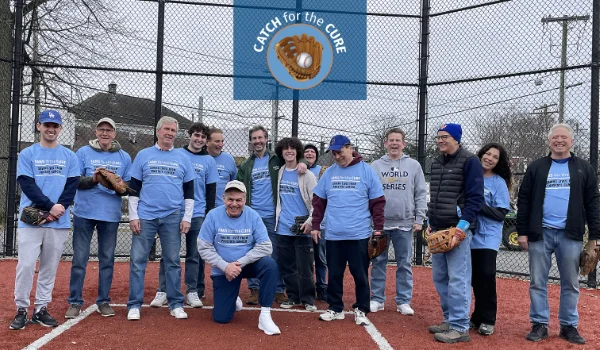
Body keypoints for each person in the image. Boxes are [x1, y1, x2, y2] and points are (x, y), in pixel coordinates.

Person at [517, 123, 600, 345]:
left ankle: (568, 325)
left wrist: (595, 235)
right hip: (540, 232)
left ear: (571, 141)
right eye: (555, 137)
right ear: (549, 141)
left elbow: (593, 202)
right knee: (537, 281)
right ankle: (539, 324)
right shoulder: (537, 167)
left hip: (570, 234)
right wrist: (522, 232)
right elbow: (523, 200)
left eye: (564, 137)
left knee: (571, 282)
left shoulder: (583, 168)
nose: (559, 141)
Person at [10, 110, 79, 330]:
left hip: (58, 221)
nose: (51, 129)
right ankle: (21, 308)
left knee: (49, 267)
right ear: (38, 126)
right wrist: (51, 207)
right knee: (27, 265)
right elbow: (27, 184)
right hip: (32, 218)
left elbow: (71, 187)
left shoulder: (70, 156)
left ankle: (41, 309)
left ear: (60, 129)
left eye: (55, 125)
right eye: (46, 124)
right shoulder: (27, 153)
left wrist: (58, 210)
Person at [311, 135, 385, 326]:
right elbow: (319, 201)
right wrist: (316, 226)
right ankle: (335, 308)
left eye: (339, 152)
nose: (336, 156)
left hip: (359, 234)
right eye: (333, 153)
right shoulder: (329, 173)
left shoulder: (366, 171)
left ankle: (361, 308)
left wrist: (378, 229)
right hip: (334, 234)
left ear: (349, 148)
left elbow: (377, 203)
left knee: (360, 274)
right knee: (334, 274)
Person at [126, 116, 196, 321]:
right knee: (138, 261)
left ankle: (175, 304)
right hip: (145, 216)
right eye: (166, 129)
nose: (169, 133)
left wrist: (187, 218)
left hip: (173, 216)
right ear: (157, 131)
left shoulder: (183, 158)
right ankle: (134, 305)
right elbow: (134, 189)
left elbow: (189, 192)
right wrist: (133, 216)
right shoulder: (143, 155)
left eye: (173, 130)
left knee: (173, 261)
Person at [66, 117, 132, 319]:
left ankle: (103, 301)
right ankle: (75, 302)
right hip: (84, 212)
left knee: (107, 260)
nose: (105, 133)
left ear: (114, 134)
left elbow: (126, 187)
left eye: (109, 130)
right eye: (101, 129)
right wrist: (94, 179)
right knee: (79, 259)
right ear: (96, 132)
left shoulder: (124, 157)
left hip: (110, 215)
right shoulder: (83, 153)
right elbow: (76, 181)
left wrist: (118, 185)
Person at [198, 180, 281, 336]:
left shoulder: (253, 216)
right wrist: (224, 266)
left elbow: (266, 246)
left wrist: (239, 263)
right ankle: (232, 296)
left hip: (247, 264)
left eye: (239, 200)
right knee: (221, 318)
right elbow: (203, 246)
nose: (234, 204)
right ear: (223, 199)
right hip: (224, 269)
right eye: (230, 199)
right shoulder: (213, 216)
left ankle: (265, 315)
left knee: (269, 265)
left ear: (245, 200)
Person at [426, 123, 484, 343]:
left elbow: (475, 199)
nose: (440, 140)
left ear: (456, 139)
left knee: (458, 279)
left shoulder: (470, 161)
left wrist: (461, 228)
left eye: (445, 137)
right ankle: (450, 319)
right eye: (439, 136)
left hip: (456, 229)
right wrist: (431, 221)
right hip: (439, 227)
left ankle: (460, 327)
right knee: (440, 277)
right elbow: (436, 196)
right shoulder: (437, 162)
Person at [236, 125, 307, 305]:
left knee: (275, 254)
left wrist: (303, 162)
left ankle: (277, 289)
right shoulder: (246, 164)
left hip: (273, 216)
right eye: (254, 138)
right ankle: (254, 289)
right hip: (251, 215)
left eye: (261, 138)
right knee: (251, 252)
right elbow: (238, 186)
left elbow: (295, 159)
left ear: (266, 139)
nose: (258, 141)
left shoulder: (277, 160)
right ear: (251, 141)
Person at [150, 122, 218, 309]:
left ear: (206, 141)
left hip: (197, 214)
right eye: (196, 135)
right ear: (189, 136)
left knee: (194, 255)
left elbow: (211, 190)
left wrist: (208, 215)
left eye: (203, 137)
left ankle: (192, 291)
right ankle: (163, 290)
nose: (199, 139)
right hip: (174, 212)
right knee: (168, 255)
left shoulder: (209, 161)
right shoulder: (177, 154)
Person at [369, 128, 427, 316]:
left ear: (404, 144)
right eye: (391, 140)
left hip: (405, 223)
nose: (394, 143)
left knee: (404, 263)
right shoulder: (375, 166)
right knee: (378, 262)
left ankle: (403, 301)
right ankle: (377, 299)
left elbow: (420, 193)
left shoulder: (414, 166)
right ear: (385, 143)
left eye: (398, 140)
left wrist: (419, 218)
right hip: (380, 224)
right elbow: (367, 193)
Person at [470, 143, 512, 336]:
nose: (490, 158)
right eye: (488, 154)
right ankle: (476, 316)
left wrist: (479, 205)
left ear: (498, 162)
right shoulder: (470, 176)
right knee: (472, 278)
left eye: (495, 157)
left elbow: (501, 213)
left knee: (486, 275)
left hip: (488, 237)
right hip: (467, 234)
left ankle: (488, 319)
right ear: (481, 155)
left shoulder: (498, 182)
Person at [274, 138, 318, 311]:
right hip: (283, 227)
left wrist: (310, 222)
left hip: (302, 227)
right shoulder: (279, 172)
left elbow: (317, 201)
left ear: (298, 151)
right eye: (285, 149)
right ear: (281, 152)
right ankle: (293, 296)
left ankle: (308, 299)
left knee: (305, 266)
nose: (289, 151)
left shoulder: (307, 174)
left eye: (292, 148)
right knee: (287, 266)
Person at [304, 144, 327, 302]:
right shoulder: (299, 169)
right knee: (303, 258)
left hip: (319, 219)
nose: (310, 153)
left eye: (313, 151)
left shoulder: (322, 171)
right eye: (306, 151)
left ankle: (322, 287)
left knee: (320, 256)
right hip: (302, 219)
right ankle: (304, 287)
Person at [206, 127, 238, 207]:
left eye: (222, 141)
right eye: (217, 141)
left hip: (223, 207)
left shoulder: (229, 159)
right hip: (203, 208)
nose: (220, 144)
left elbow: (234, 182)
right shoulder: (201, 158)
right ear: (207, 142)